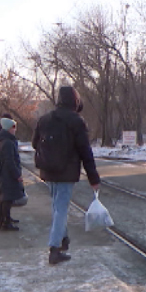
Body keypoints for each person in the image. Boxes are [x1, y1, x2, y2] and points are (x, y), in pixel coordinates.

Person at [32, 86, 100, 265]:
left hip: (48, 170)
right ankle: (54, 249)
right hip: (66, 172)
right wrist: (93, 178)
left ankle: (63, 239)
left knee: (57, 206)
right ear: (74, 101)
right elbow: (85, 151)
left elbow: (34, 143)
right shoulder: (76, 121)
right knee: (61, 209)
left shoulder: (45, 119)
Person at [0, 117, 23, 231]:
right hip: (8, 174)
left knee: (4, 198)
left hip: (4, 173)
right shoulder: (7, 143)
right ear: (8, 128)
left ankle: (4, 219)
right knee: (7, 198)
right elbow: (9, 160)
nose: (15, 129)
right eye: (13, 127)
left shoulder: (3, 140)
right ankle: (5, 222)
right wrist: (17, 174)